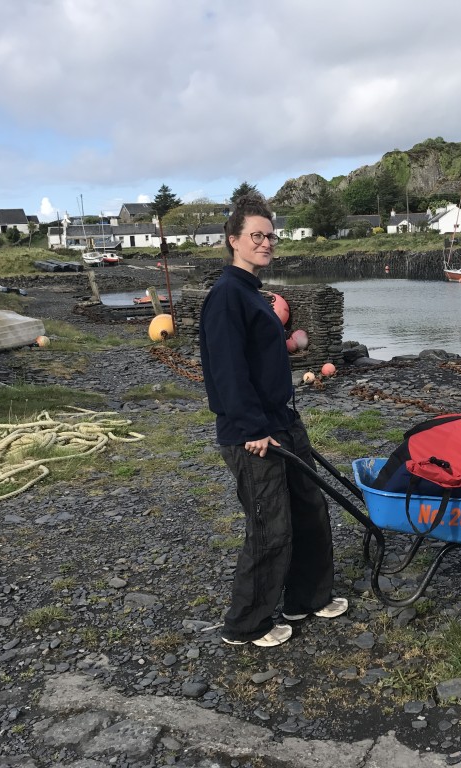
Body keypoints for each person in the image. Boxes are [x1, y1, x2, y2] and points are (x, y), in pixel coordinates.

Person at [199, 195, 347, 647]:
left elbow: (257, 355)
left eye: (270, 235)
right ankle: (247, 623)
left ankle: (306, 596)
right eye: (255, 236)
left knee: (310, 508)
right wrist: (251, 429)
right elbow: (226, 370)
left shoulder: (252, 293)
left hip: (282, 419)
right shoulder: (226, 296)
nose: (265, 242)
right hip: (253, 432)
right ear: (233, 241)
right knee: (270, 525)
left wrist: (286, 347)